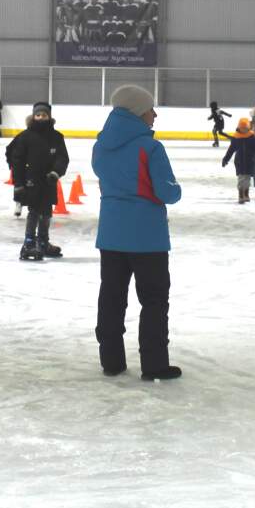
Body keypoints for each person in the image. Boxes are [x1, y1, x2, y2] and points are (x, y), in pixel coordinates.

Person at [92, 85, 182, 381]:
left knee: (112, 295)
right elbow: (167, 193)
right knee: (154, 299)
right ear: (137, 112)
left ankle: (111, 360)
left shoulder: (101, 146)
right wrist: (176, 189)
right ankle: (154, 364)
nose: (154, 115)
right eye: (150, 109)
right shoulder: (151, 147)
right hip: (147, 237)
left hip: (111, 234)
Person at [7, 102, 69, 261]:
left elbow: (62, 158)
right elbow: (16, 159)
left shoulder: (56, 137)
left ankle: (43, 242)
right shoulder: (25, 137)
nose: (41, 117)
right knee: (34, 211)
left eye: (44, 115)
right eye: (38, 115)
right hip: (31, 181)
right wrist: (18, 183)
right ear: (34, 116)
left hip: (49, 181)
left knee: (47, 212)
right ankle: (28, 243)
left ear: (49, 116)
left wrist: (56, 172)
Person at [222, 117, 255, 204]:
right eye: (242, 128)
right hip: (239, 161)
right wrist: (225, 159)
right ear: (239, 128)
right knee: (241, 178)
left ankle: (246, 193)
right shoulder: (236, 137)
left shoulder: (252, 137)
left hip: (250, 161)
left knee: (247, 179)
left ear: (248, 128)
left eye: (245, 128)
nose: (244, 130)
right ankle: (241, 194)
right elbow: (231, 150)